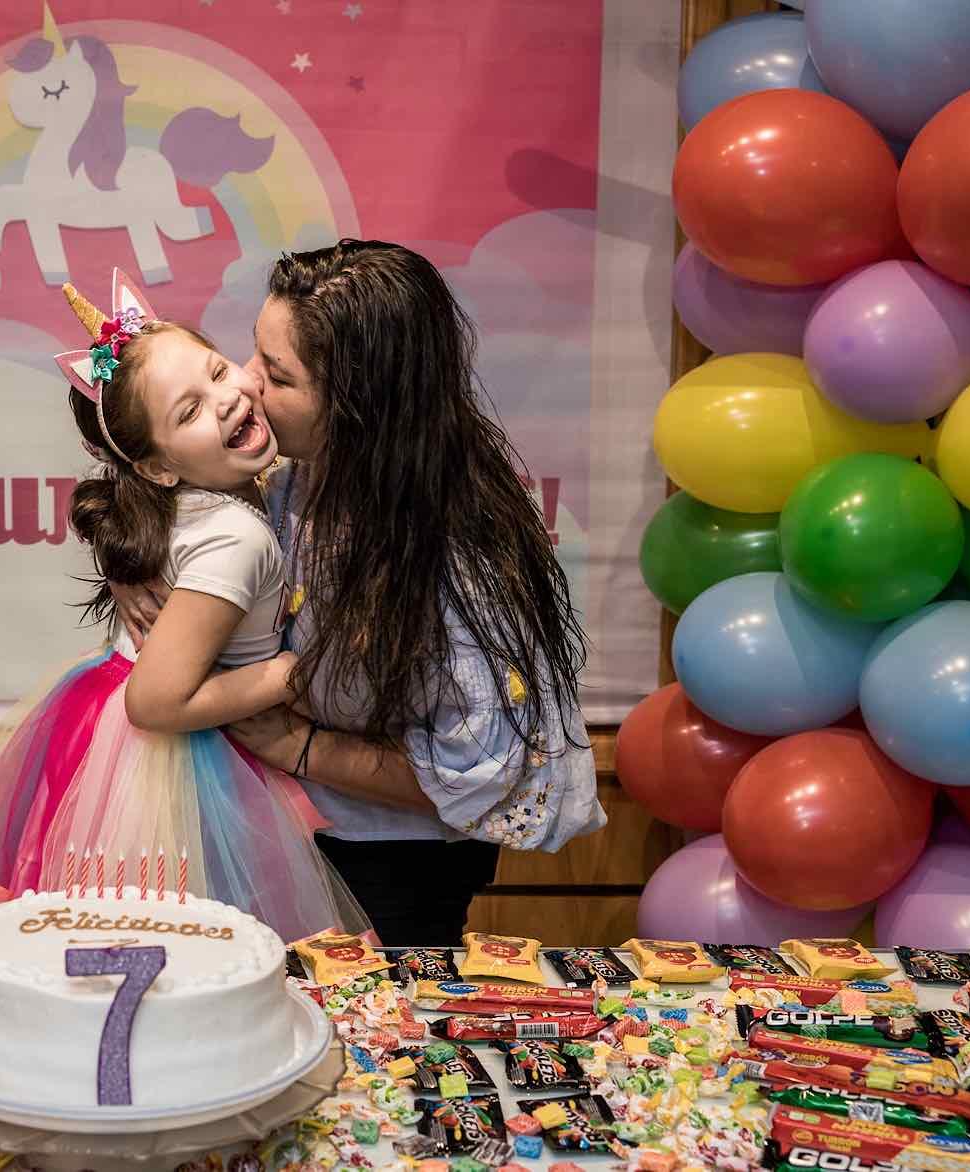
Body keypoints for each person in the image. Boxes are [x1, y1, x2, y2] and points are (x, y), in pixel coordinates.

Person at [113, 240, 605, 945]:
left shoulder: (457, 554)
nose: (246, 383)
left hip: (388, 870)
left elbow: (486, 772)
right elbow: (147, 471)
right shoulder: (299, 472)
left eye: (277, 374)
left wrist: (300, 746)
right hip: (280, 832)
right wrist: (132, 563)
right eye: (252, 354)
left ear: (358, 406)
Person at [0, 269, 368, 943]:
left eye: (218, 372)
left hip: (122, 738)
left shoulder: (205, 497)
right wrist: (293, 672)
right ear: (158, 468)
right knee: (202, 946)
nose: (226, 400)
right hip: (184, 752)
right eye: (188, 412)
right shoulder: (238, 535)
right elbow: (156, 702)